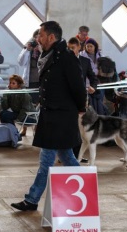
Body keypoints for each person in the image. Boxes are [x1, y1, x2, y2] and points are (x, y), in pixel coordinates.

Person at [10, 21, 87, 211]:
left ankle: (32, 199)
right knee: (67, 157)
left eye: (41, 35)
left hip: (61, 116)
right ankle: (85, 191)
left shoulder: (66, 57)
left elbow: (78, 87)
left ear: (51, 37)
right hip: (50, 114)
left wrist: (80, 108)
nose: (38, 39)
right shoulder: (48, 55)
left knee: (46, 161)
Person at [67, 37, 99, 162]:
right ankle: (67, 155)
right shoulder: (63, 61)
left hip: (82, 99)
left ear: (79, 48)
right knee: (69, 127)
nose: (70, 50)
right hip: (67, 99)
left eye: (73, 48)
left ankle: (76, 156)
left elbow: (93, 78)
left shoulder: (85, 61)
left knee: (81, 127)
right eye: (68, 48)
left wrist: (93, 87)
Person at [80, 38, 108, 115]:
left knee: (99, 101)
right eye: (87, 46)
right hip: (88, 83)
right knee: (89, 103)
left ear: (95, 46)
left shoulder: (101, 55)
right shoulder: (81, 55)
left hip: (99, 82)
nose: (89, 48)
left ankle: (98, 117)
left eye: (91, 46)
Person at [17, 29, 41, 104]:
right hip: (30, 81)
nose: (37, 40)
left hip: (41, 81)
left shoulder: (45, 49)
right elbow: (21, 62)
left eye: (39, 38)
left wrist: (41, 50)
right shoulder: (28, 49)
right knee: (31, 102)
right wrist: (27, 50)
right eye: (36, 38)